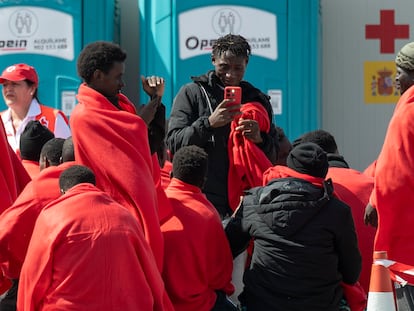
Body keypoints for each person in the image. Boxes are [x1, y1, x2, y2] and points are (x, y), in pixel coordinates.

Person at [225, 142, 361, 311]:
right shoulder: (338, 211)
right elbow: (351, 274)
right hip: (321, 305)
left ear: (288, 167)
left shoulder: (253, 202)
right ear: (323, 173)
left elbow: (226, 248)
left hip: (261, 304)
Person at [17, 165, 173, 311]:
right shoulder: (125, 216)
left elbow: (33, 277)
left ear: (63, 192)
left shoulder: (52, 216)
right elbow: (150, 272)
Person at [70, 41, 167, 271]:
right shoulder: (84, 117)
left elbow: (146, 147)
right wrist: (140, 121)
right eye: (117, 77)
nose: (122, 83)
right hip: (110, 219)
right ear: (97, 75)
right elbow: (128, 143)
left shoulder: (121, 104)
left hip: (135, 211)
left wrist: (156, 101)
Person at [166, 33, 278, 219]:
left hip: (247, 202)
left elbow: (273, 156)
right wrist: (209, 123)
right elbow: (173, 143)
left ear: (247, 63)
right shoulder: (192, 93)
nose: (230, 74)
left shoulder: (257, 100)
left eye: (238, 68)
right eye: (224, 67)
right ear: (213, 60)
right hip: (204, 199)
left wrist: (260, 139)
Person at [364, 41, 414, 310]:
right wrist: (375, 197)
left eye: (401, 71)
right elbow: (390, 161)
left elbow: (398, 171)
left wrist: (379, 202)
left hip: (408, 234)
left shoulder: (410, 110)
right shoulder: (406, 106)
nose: (395, 78)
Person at [295, 129, 375, 294]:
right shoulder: (374, 186)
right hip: (382, 294)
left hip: (331, 297)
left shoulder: (306, 191)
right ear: (337, 152)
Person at [161, 145, 236, 311]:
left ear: (172, 175)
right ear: (203, 181)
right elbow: (220, 278)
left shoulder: (155, 205)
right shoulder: (209, 215)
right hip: (198, 304)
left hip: (161, 302)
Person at [0, 136, 71, 311]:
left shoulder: (39, 188)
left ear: (45, 162)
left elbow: (6, 232)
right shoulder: (101, 187)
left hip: (40, 284)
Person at [0, 63, 71, 155]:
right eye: (5, 85)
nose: (8, 89)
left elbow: (67, 156)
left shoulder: (54, 117)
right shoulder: (1, 119)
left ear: (32, 88)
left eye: (14, 84)